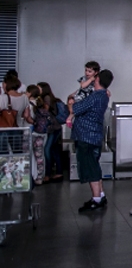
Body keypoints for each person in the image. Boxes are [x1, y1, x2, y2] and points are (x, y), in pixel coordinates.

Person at [69, 69, 113, 213]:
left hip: (86, 136)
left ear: (98, 80)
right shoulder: (104, 96)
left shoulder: (95, 96)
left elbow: (76, 108)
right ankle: (100, 194)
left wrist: (70, 102)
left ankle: (96, 199)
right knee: (94, 165)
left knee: (90, 167)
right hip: (95, 135)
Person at [38, 82, 66, 182]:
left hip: (52, 128)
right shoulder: (52, 99)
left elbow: (45, 113)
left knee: (47, 149)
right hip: (57, 127)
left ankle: (48, 174)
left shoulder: (46, 98)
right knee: (55, 149)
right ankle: (59, 172)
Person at [67, 61, 101, 127]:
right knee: (74, 109)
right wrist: (90, 80)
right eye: (86, 70)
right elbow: (83, 86)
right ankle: (69, 118)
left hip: (90, 97)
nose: (87, 73)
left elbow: (100, 88)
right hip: (82, 96)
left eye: (90, 71)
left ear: (96, 72)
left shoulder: (97, 80)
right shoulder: (84, 78)